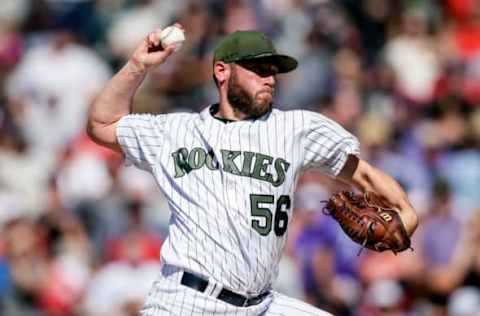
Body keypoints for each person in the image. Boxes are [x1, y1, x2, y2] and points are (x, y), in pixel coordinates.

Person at [87, 23, 418, 316]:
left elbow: (366, 176)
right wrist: (136, 66)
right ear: (222, 71)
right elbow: (101, 124)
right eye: (258, 69)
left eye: (272, 70)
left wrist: (407, 214)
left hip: (261, 304)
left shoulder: (295, 129)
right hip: (186, 301)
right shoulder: (175, 132)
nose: (270, 79)